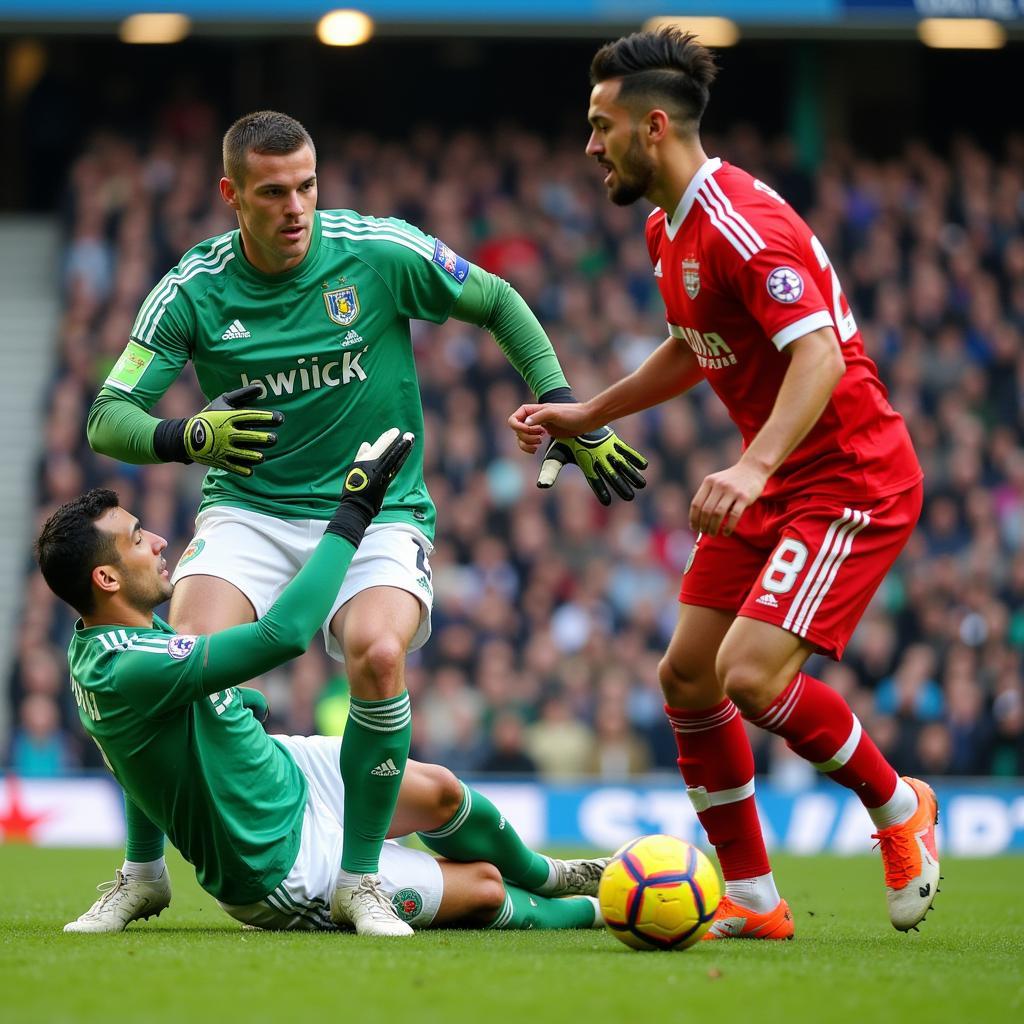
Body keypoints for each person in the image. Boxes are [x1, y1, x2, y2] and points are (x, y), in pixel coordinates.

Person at [86, 110, 645, 935]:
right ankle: (142, 873)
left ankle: (360, 879)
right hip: (250, 510)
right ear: (230, 195)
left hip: (379, 508)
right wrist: (188, 435)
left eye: (307, 186)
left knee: (378, 654)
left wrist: (561, 399)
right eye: (273, 192)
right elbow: (109, 414)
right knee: (185, 660)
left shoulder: (377, 251)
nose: (295, 207)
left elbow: (494, 299)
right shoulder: (193, 289)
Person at [510, 28, 939, 938]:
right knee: (689, 674)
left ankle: (899, 806)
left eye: (601, 126)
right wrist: (593, 413)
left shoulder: (744, 219)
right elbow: (693, 344)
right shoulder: (668, 226)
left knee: (747, 674)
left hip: (848, 478)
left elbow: (817, 352)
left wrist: (751, 464)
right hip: (782, 478)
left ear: (652, 126)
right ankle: (751, 897)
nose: (589, 147)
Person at [40, 435, 606, 936]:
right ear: (107, 578)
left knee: (442, 791)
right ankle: (599, 911)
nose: (160, 540)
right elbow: (282, 636)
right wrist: (353, 512)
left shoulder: (106, 642)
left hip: (283, 771)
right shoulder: (130, 668)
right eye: (138, 539)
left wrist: (236, 701)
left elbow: (146, 753)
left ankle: (555, 874)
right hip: (280, 864)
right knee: (481, 886)